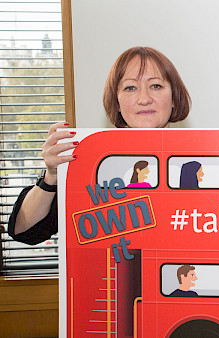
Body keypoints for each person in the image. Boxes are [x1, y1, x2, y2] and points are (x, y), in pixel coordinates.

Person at [8, 46, 191, 245]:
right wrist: (52, 177)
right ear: (117, 102)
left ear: (174, 97)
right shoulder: (90, 163)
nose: (144, 99)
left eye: (156, 86)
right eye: (130, 88)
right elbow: (24, 231)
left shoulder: (200, 163)